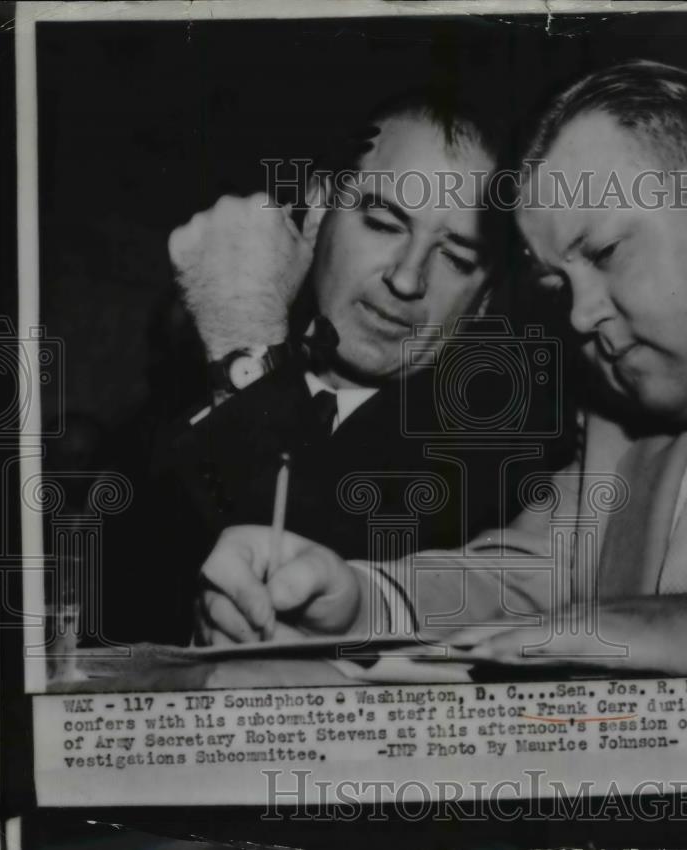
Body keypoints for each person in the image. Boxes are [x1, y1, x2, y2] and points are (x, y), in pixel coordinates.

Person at [193, 61, 687, 674]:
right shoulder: (625, 407)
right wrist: (359, 601)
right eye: (558, 283)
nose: (578, 317)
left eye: (603, 254)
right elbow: (530, 573)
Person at [100, 92, 569, 645]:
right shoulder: (176, 395)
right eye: (382, 223)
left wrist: (246, 345)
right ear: (320, 209)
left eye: (456, 258)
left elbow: (301, 592)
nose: (408, 279)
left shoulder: (505, 443)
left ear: (485, 299)